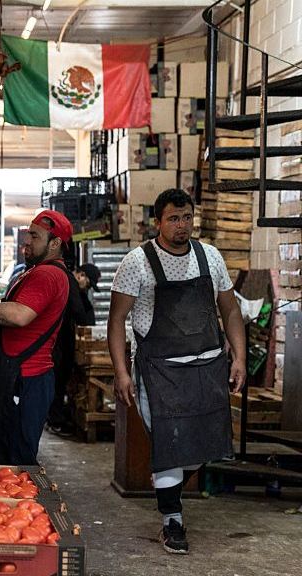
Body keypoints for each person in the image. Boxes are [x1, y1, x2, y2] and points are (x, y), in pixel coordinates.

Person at [108, 188, 245, 555]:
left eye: (187, 218)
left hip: (208, 366)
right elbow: (117, 319)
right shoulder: (137, 262)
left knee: (202, 445)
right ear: (158, 222)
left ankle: (166, 484)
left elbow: (230, 310)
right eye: (173, 218)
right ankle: (172, 519)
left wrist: (240, 358)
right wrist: (121, 372)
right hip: (160, 371)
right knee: (170, 444)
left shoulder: (210, 257)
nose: (181, 225)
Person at [0, 209, 72, 465]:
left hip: (24, 380)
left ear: (54, 243)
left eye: (35, 235)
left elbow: (20, 315)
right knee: (0, 457)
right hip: (16, 376)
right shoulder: (36, 271)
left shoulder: (48, 274)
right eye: (27, 234)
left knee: (13, 462)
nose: (27, 241)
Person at [47, 263, 100, 435]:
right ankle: (55, 421)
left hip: (62, 342)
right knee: (57, 381)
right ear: (81, 275)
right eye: (89, 284)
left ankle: (56, 418)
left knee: (59, 382)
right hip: (58, 343)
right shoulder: (70, 283)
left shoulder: (74, 286)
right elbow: (81, 315)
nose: (88, 288)